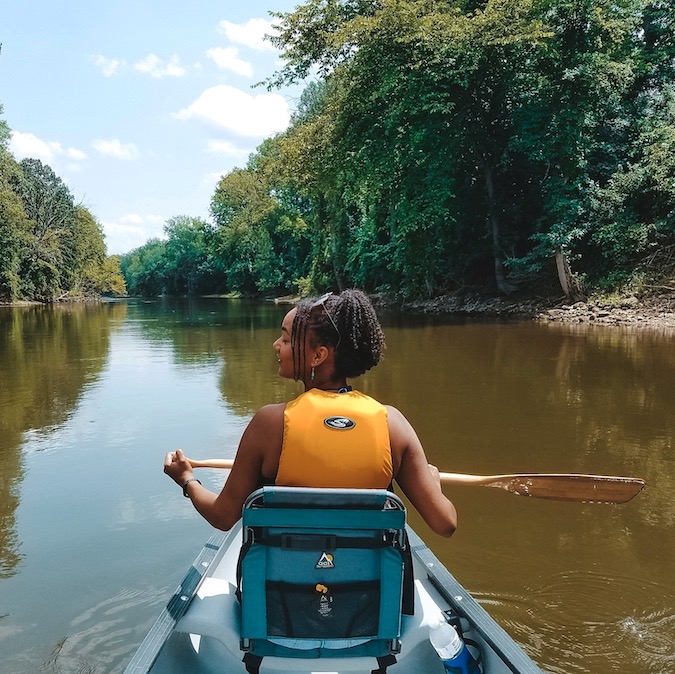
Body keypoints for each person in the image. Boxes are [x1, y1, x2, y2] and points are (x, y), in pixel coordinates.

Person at [164, 289, 457, 538]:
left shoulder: (269, 424)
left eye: (287, 339)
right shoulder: (393, 424)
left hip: (283, 592)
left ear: (318, 356)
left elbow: (223, 516)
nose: (276, 345)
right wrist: (434, 485)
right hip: (368, 595)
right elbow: (445, 523)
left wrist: (187, 480)